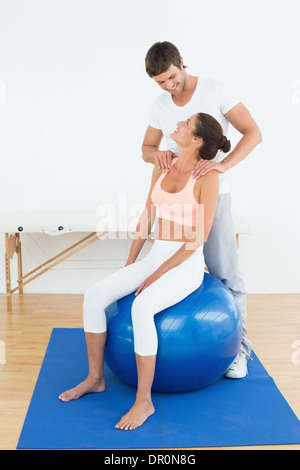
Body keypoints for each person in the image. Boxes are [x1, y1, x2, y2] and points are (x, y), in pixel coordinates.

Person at [59, 112, 229, 431]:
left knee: (142, 307)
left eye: (186, 124)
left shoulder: (207, 177)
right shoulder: (162, 164)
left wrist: (161, 272)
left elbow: (198, 239)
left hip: (186, 262)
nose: (178, 124)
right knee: (94, 295)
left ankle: (144, 401)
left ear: (196, 140)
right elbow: (147, 215)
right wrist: (131, 265)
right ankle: (95, 378)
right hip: (156, 254)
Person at [142, 41, 262, 378]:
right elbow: (147, 148)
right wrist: (158, 156)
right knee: (171, 269)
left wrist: (225, 166)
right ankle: (179, 343)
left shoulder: (217, 90)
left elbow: (253, 132)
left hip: (212, 196)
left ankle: (240, 350)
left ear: (181, 62)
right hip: (175, 201)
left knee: (225, 272)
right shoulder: (160, 105)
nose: (169, 87)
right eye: (161, 83)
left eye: (171, 78)